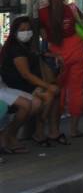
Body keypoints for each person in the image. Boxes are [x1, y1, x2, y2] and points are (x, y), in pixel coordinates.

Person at [0, 16, 63, 146]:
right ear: (15, 31)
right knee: (47, 96)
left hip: (22, 85)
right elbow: (26, 74)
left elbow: (39, 56)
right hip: (18, 85)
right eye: (22, 30)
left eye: (28, 29)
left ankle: (49, 131)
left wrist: (53, 55)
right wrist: (47, 86)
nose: (26, 32)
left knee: (53, 96)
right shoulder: (16, 49)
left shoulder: (28, 46)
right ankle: (15, 134)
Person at [39, 0, 83, 140]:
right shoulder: (72, 9)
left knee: (57, 92)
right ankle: (74, 130)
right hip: (77, 50)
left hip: (57, 56)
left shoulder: (42, 13)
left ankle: (56, 129)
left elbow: (44, 38)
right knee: (76, 91)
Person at [0, 72, 42, 155]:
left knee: (37, 103)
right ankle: (11, 137)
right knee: (25, 104)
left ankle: (7, 134)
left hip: (2, 87)